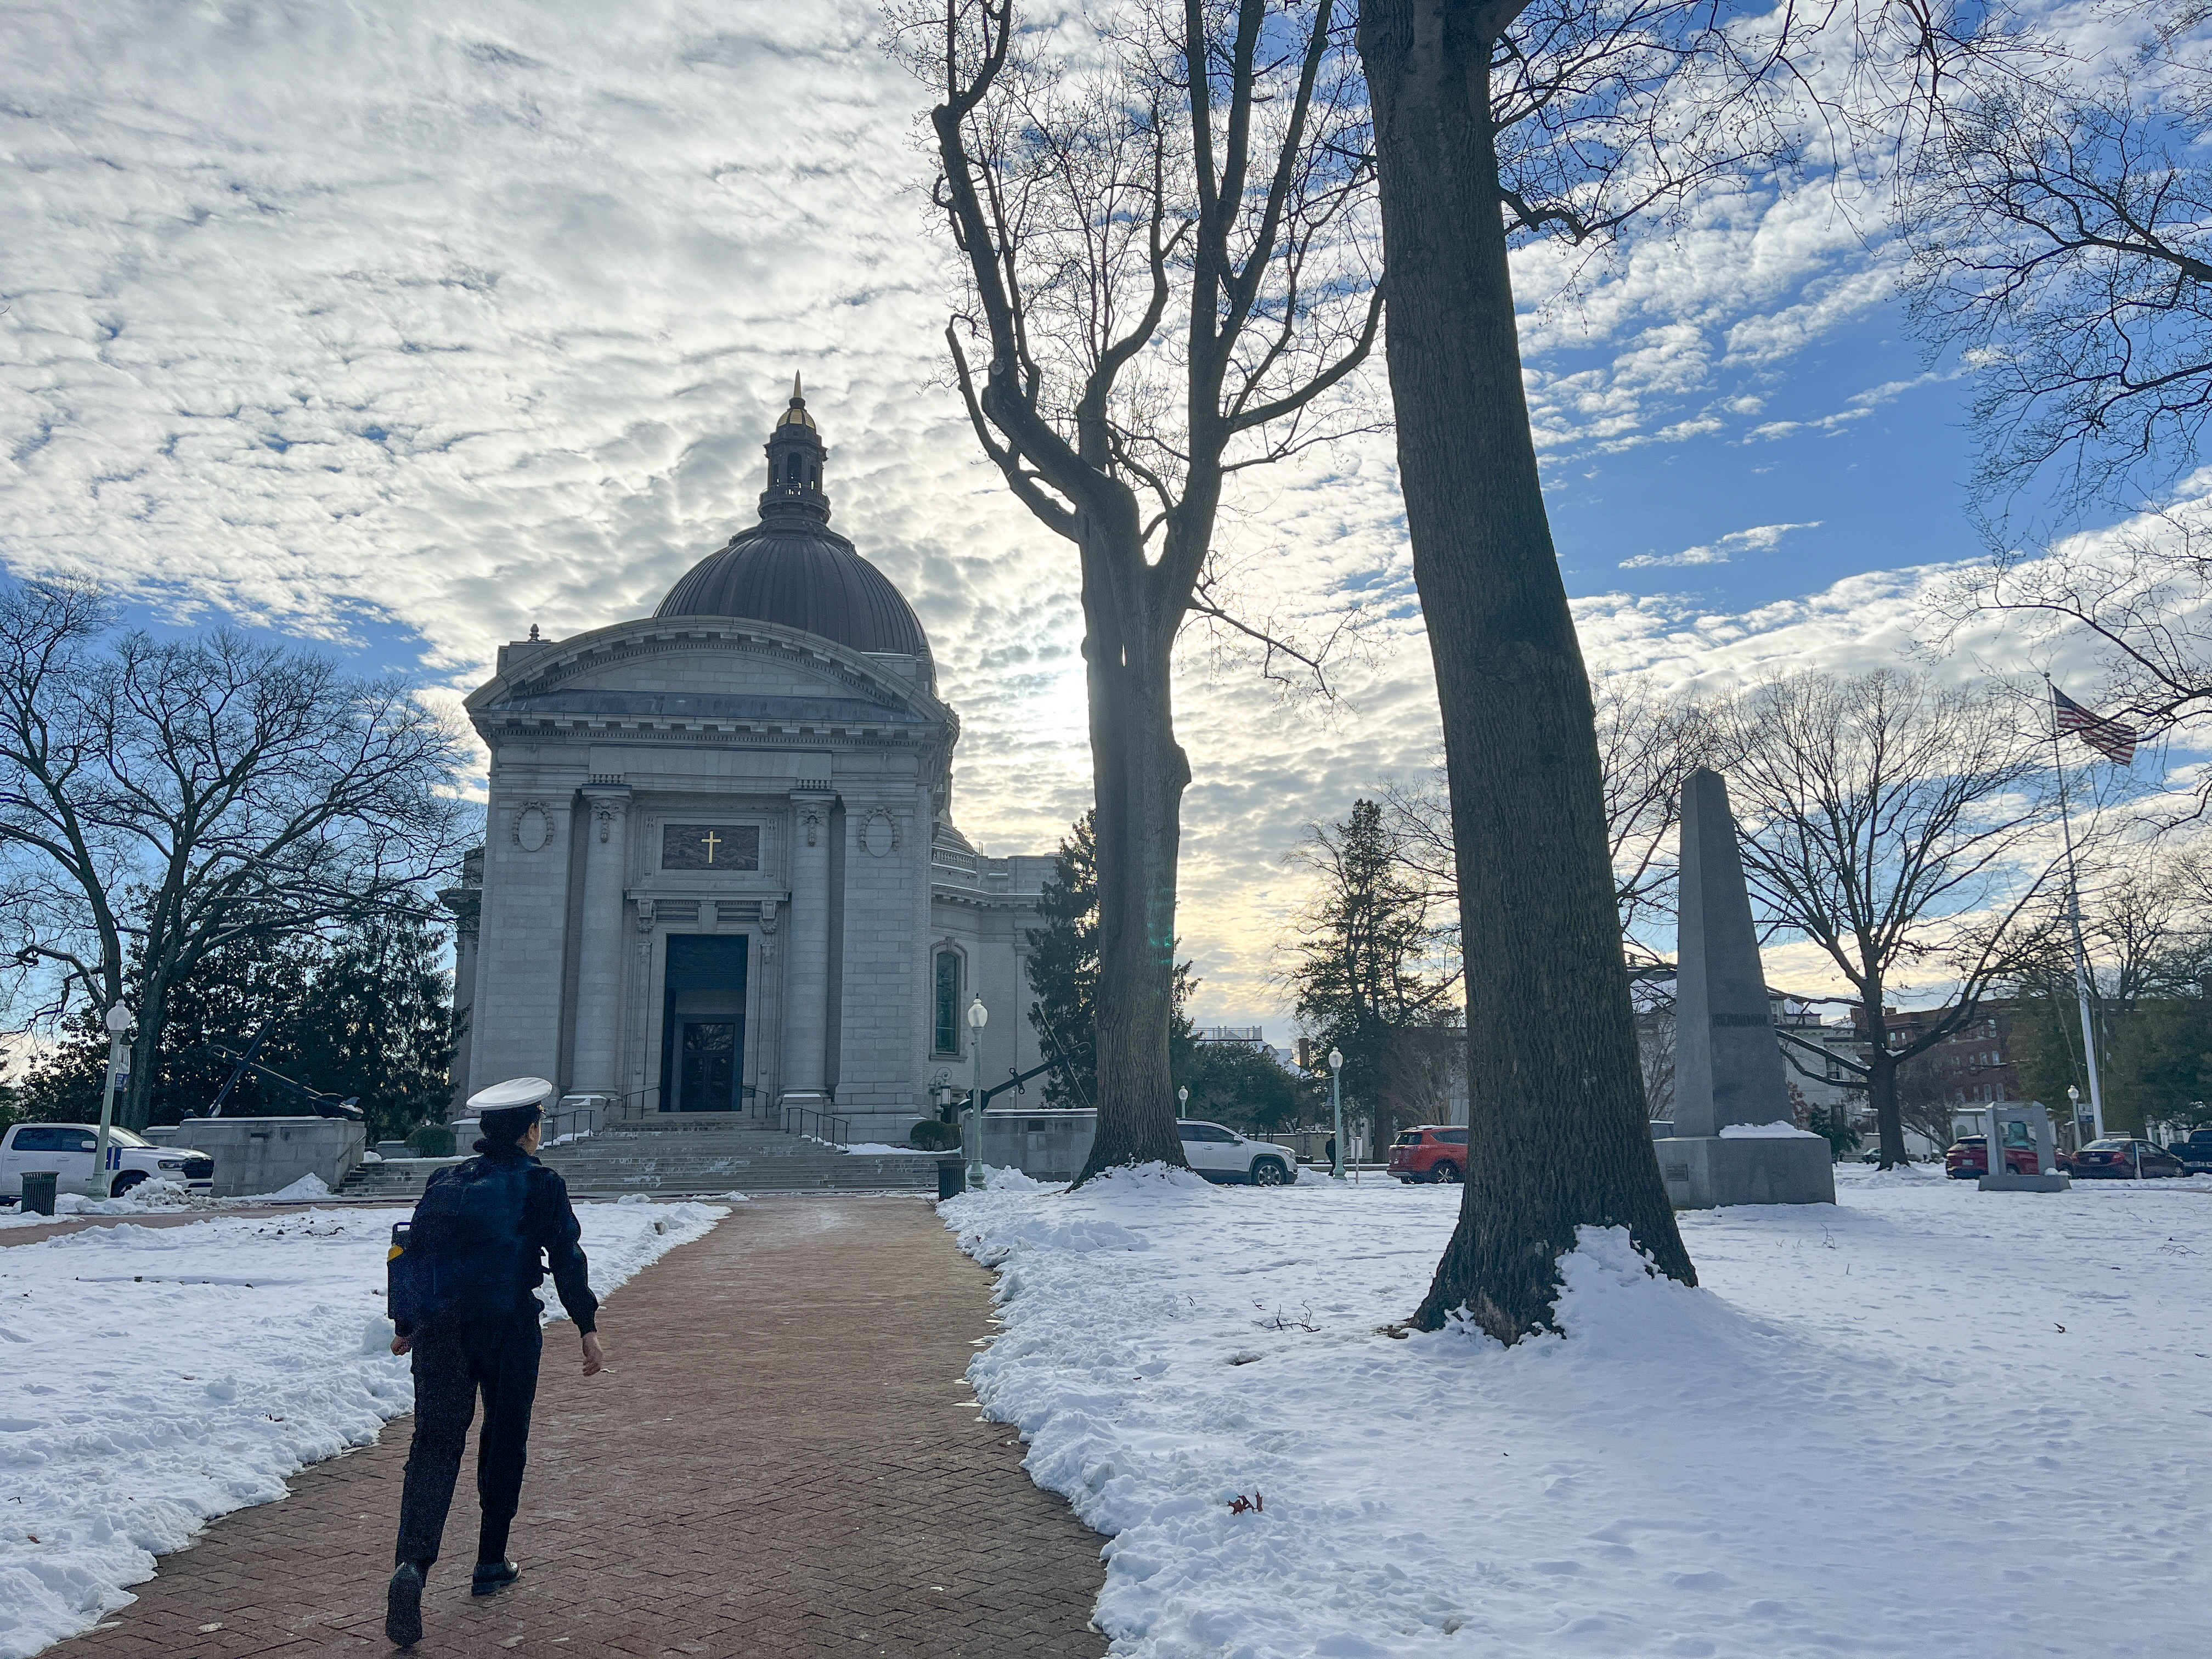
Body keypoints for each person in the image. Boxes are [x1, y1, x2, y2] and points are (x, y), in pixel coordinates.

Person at [383, 1077, 605, 1648]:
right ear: (531, 1130)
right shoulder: (542, 1183)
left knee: (434, 1445)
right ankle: (490, 1561)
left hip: (441, 1332)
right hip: (507, 1327)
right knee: (505, 1438)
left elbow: (410, 1250)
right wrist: (586, 1325)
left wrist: (407, 1322)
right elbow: (566, 1257)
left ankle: (413, 1566)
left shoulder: (444, 1181)